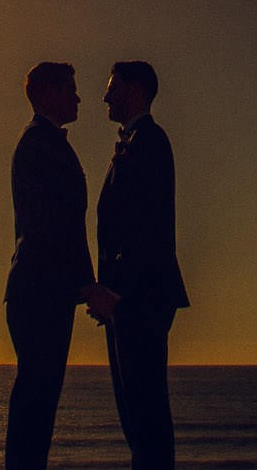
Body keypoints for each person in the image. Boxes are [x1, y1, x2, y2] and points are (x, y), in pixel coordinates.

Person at [5, 62, 118, 470]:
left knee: (40, 398)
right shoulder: (40, 144)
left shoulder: (43, 142)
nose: (78, 97)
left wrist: (84, 284)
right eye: (71, 89)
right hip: (40, 291)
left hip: (43, 290)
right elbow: (51, 225)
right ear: (50, 92)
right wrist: (87, 286)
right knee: (36, 398)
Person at [94, 60, 189, 470]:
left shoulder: (149, 141)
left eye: (113, 88)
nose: (105, 96)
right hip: (129, 298)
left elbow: (145, 226)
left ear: (134, 90)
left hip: (139, 298)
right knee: (136, 413)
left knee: (145, 411)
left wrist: (117, 293)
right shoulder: (135, 141)